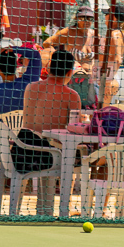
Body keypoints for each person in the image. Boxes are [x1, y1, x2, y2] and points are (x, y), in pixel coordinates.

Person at [19, 50, 82, 215]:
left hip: (22, 150)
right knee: (76, 155)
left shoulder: (30, 87)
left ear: (48, 67)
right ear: (69, 73)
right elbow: (75, 128)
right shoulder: (71, 95)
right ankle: (64, 209)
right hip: (47, 155)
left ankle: (43, 209)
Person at [0, 46, 42, 143]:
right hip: (27, 139)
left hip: (1, 139)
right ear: (16, 66)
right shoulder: (28, 84)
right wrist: (13, 49)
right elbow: (36, 55)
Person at [43, 7, 95, 73]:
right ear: (76, 19)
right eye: (83, 18)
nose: (87, 21)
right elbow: (46, 43)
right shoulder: (69, 32)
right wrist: (59, 58)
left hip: (91, 75)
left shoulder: (94, 34)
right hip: (72, 75)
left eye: (90, 18)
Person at [96, 4, 124, 107]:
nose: (105, 17)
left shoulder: (113, 34)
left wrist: (107, 82)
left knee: (100, 112)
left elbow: (117, 60)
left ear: (113, 17)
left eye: (107, 14)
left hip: (106, 79)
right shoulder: (123, 35)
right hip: (108, 77)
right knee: (100, 112)